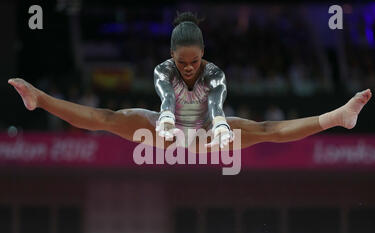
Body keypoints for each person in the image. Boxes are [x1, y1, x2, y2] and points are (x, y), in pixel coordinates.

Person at [8, 12, 372, 153]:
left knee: (265, 129)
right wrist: (165, 124)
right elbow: (166, 102)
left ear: (204, 55)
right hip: (163, 129)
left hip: (205, 133)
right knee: (108, 118)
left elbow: (216, 108)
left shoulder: (214, 74)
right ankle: (41, 99)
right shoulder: (162, 71)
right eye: (181, 62)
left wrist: (223, 130)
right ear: (170, 55)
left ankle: (338, 117)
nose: (187, 68)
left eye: (194, 61)